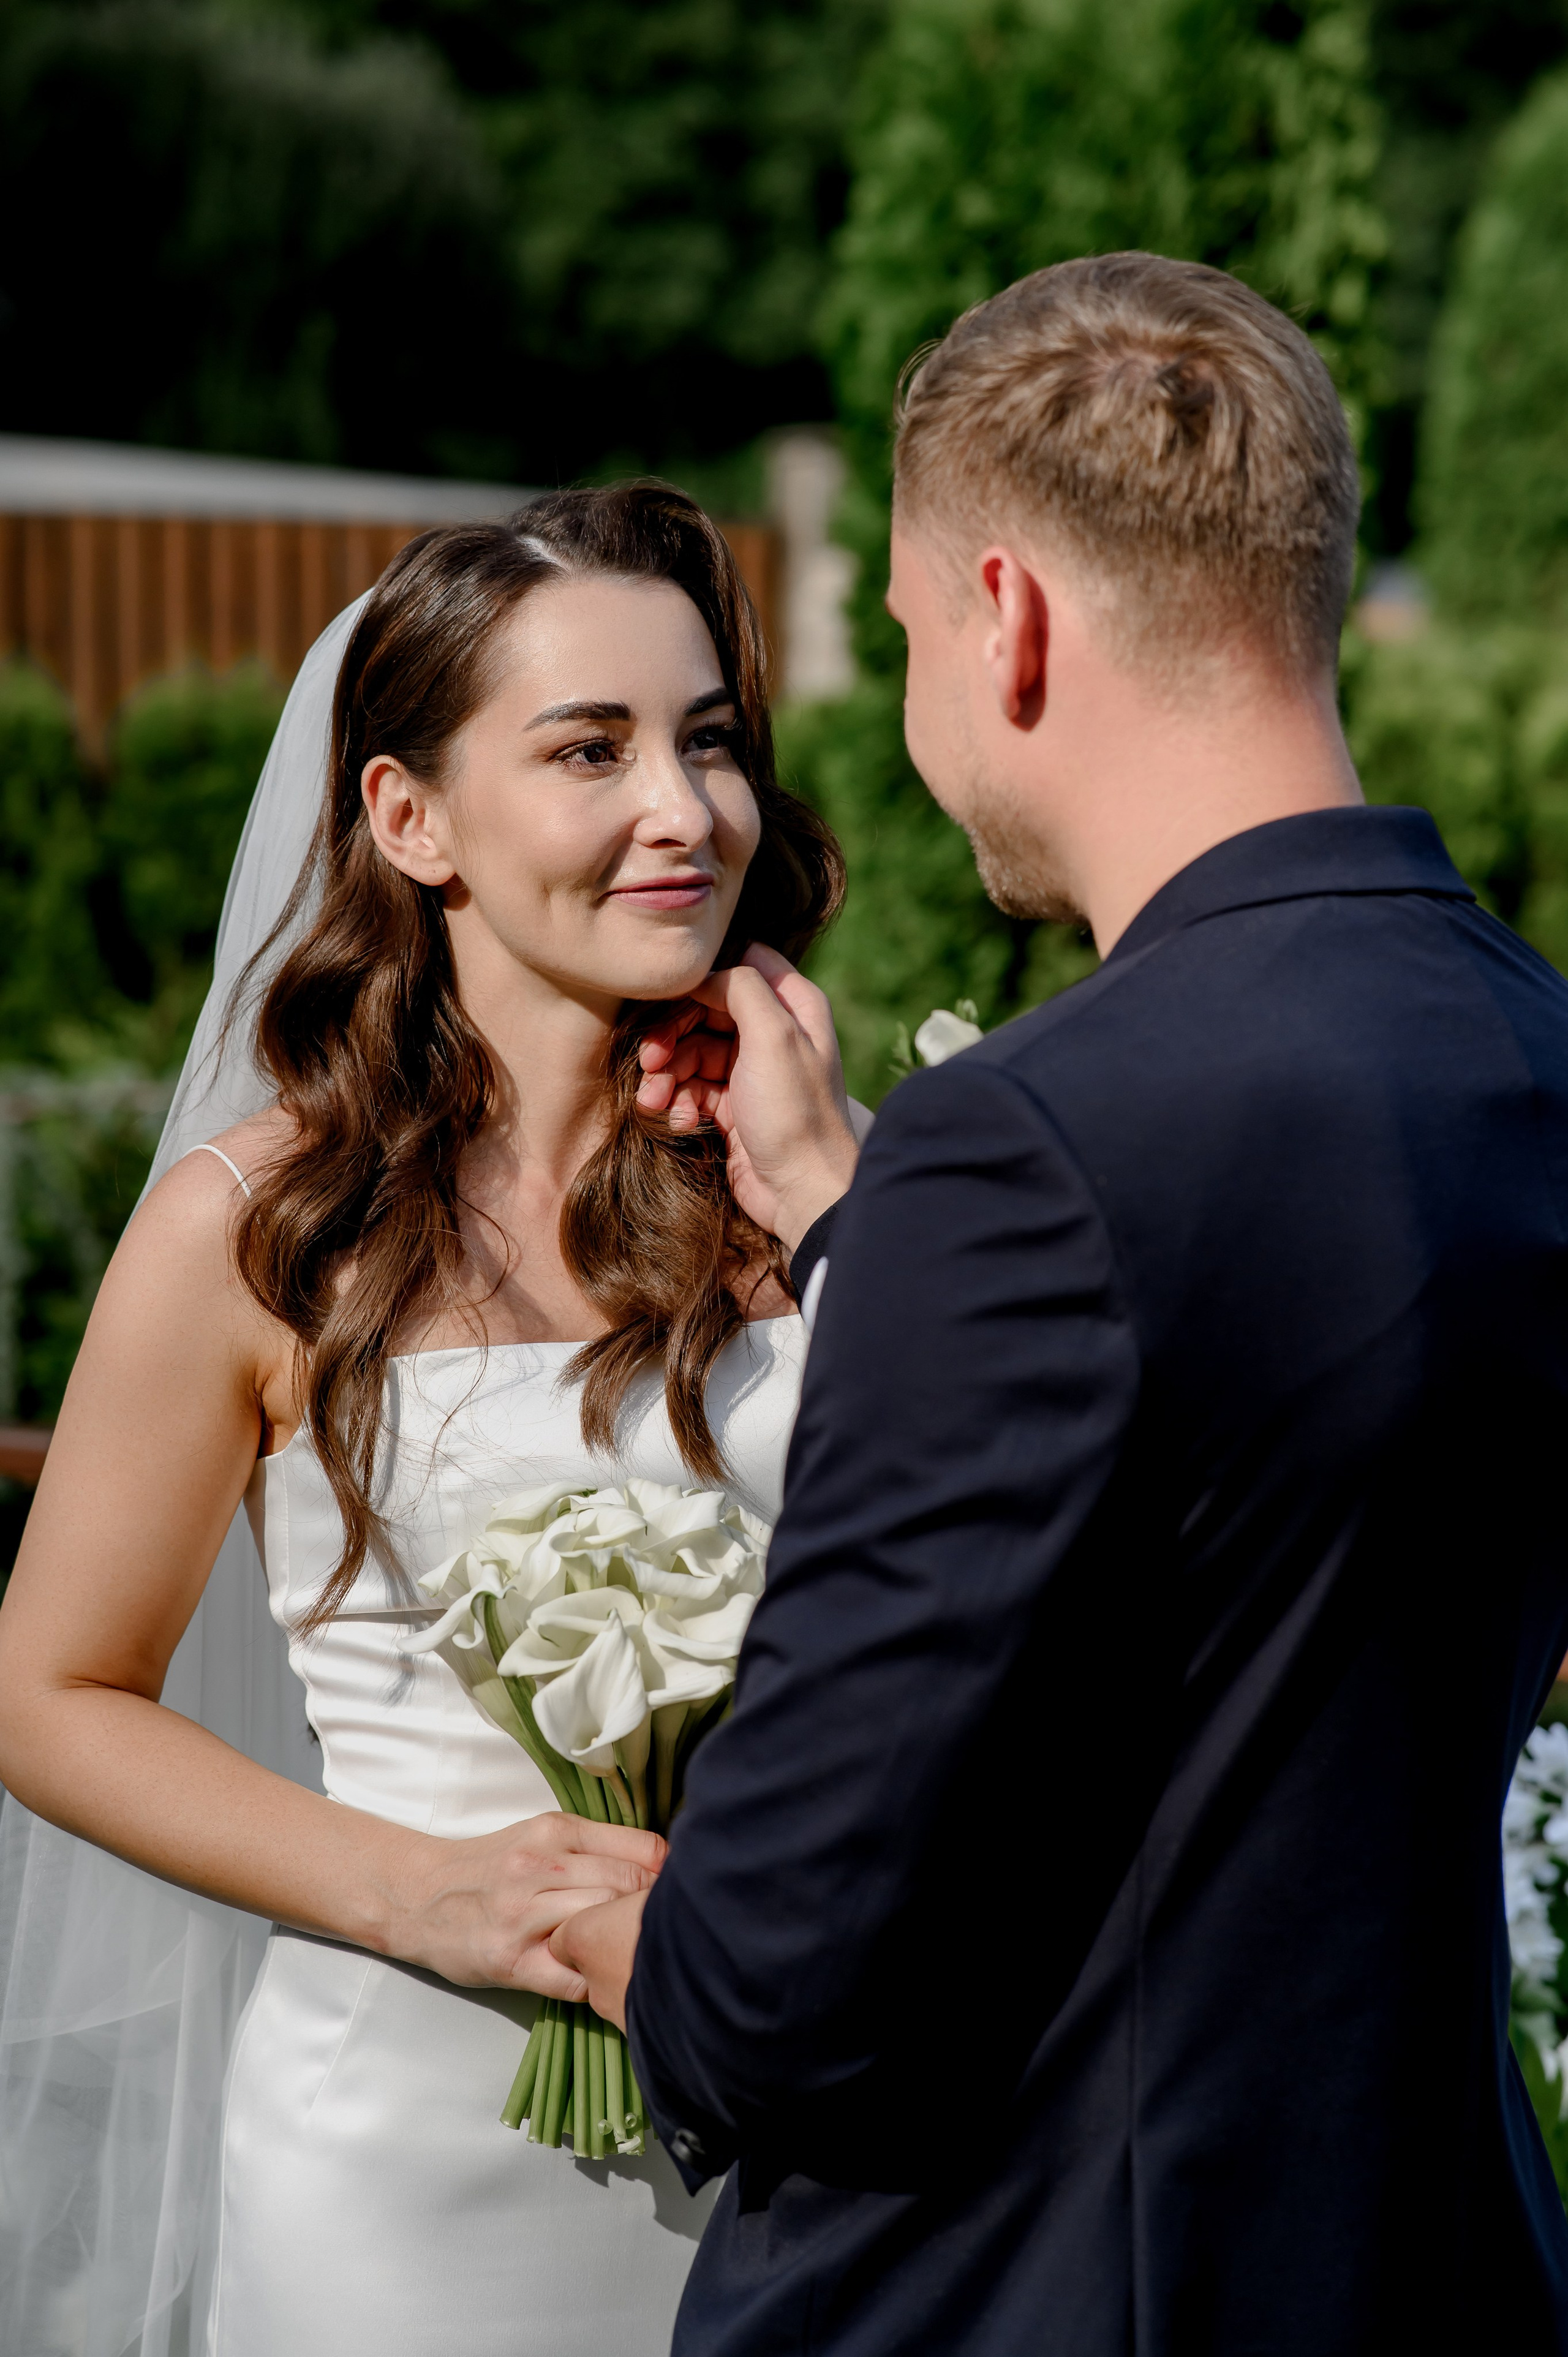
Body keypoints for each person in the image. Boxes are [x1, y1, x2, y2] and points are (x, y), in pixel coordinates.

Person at [556, 254, 1568, 2353]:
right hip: (1427, 2265)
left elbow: (772, 1983)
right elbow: (1285, 1471)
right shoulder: (1530, 1053)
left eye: (913, 633)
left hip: (1039, 2289)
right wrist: (851, 1228)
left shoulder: (1038, 1143)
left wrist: (619, 1939)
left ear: (1005, 616)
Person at [0, 485, 864, 2356]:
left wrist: (839, 1197)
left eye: (709, 741)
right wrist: (435, 1897)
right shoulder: (255, 1230)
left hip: (806, 2169)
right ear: (413, 818)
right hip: (400, 2167)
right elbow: (50, 1692)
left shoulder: (826, 1200)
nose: (684, 809)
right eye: (591, 749)